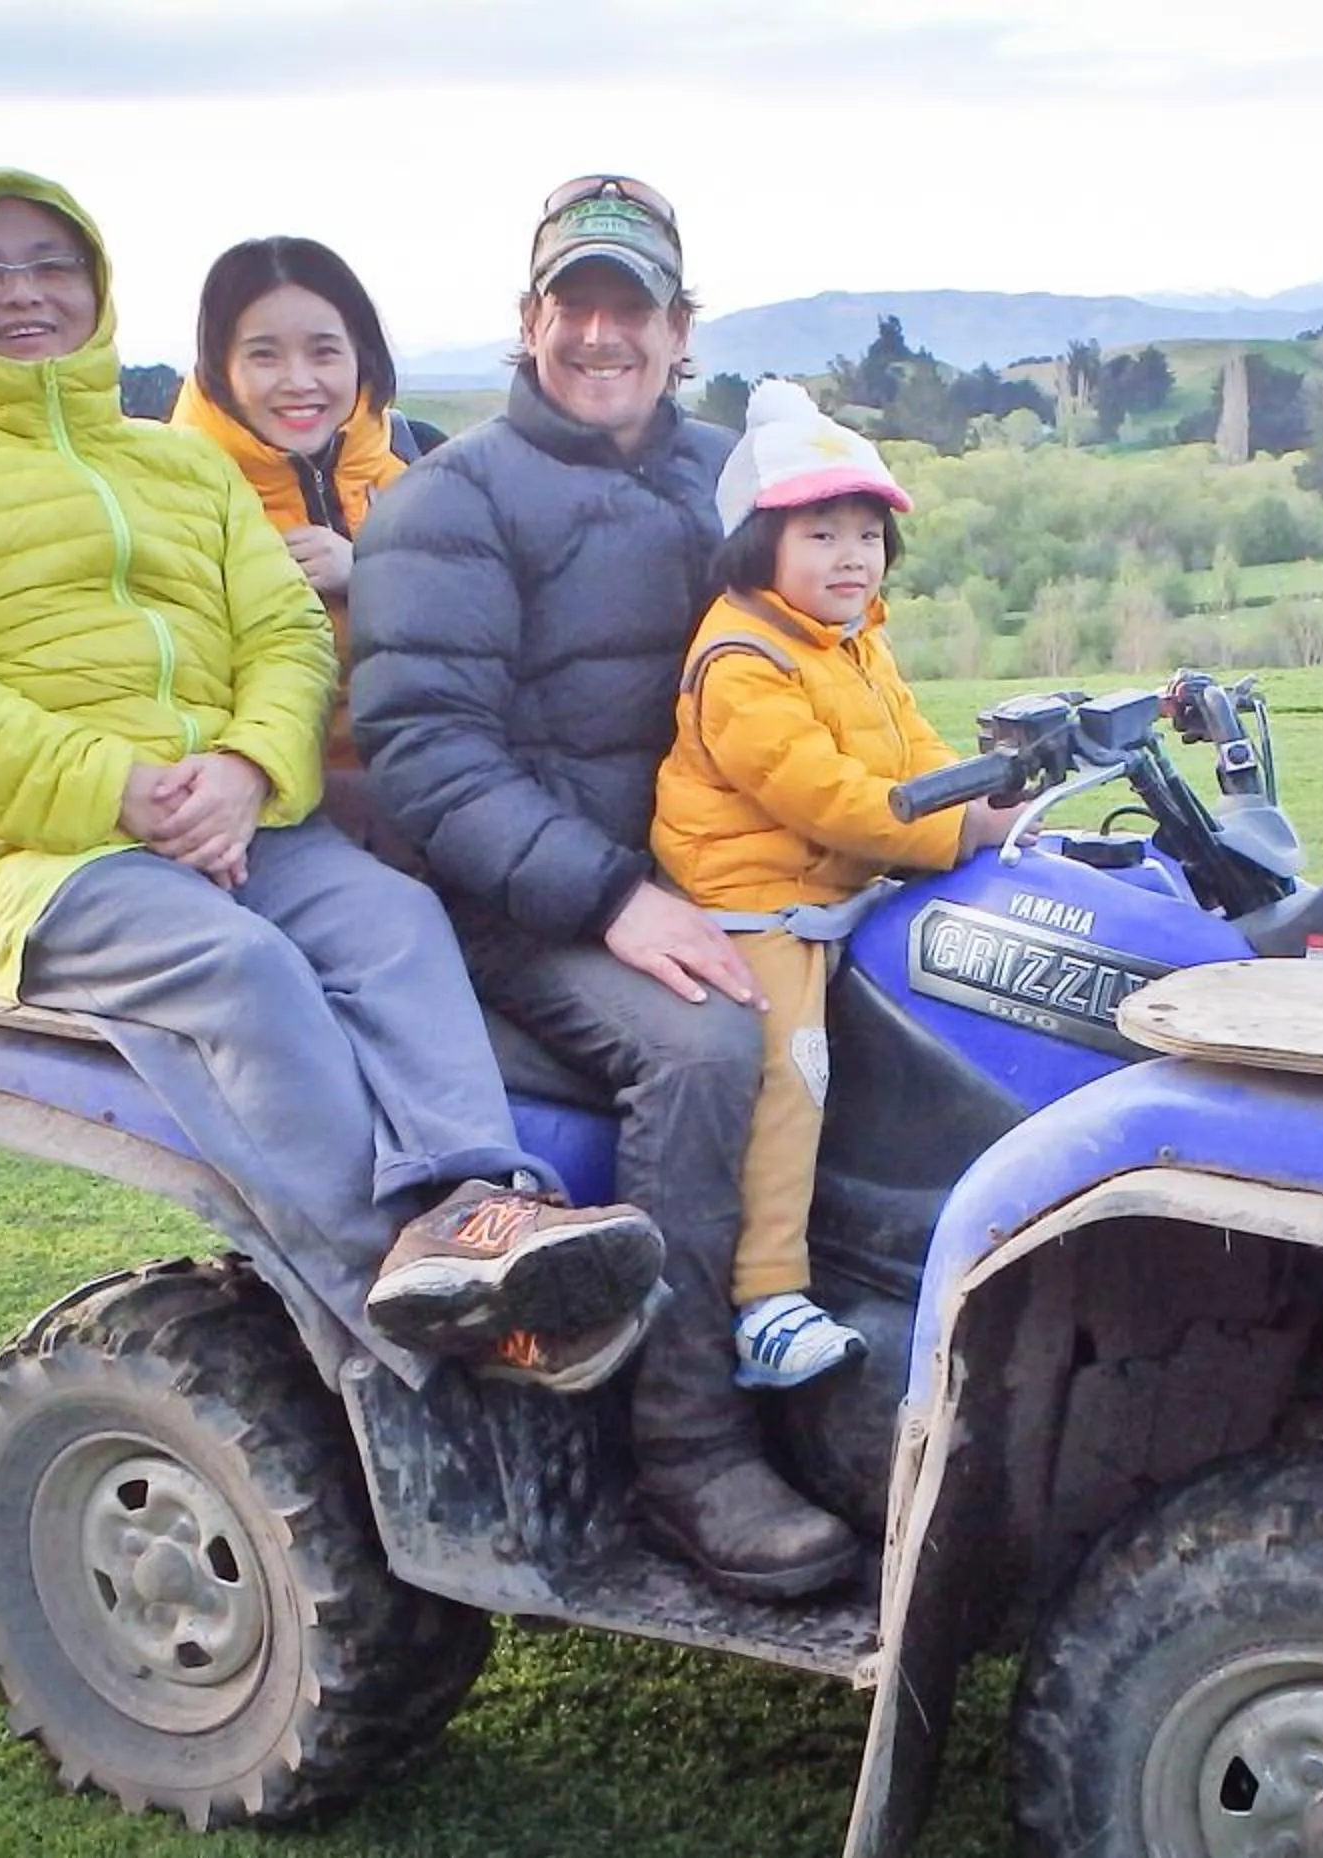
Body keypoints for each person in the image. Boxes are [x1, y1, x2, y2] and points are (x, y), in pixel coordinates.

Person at [0, 169, 664, 1395]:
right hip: (50, 852)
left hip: (233, 813)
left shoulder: (184, 470)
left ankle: (485, 1208)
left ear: (95, 285)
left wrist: (243, 766)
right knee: (243, 968)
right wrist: (120, 789)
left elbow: (288, 639)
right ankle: (421, 1293)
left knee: (391, 917)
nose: (24, 293)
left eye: (50, 264)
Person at [350, 177, 858, 1600]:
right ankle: (691, 1455)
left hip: (729, 870)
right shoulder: (449, 504)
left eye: (628, 306)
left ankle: (833, 1352)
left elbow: (830, 644)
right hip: (529, 904)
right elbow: (428, 758)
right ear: (528, 321)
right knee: (706, 1047)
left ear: (680, 328)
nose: (597, 332)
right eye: (571, 303)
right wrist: (612, 899)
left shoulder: (740, 478)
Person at [650, 379, 1022, 1390]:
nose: (850, 556)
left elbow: (916, 751)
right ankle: (766, 1297)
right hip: (757, 897)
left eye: (865, 533)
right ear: (758, 544)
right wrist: (955, 831)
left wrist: (994, 796)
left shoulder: (857, 643)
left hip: (840, 883)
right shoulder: (741, 658)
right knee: (794, 1069)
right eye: (821, 534)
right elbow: (827, 797)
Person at [168, 237, 430, 841]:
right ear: (219, 365)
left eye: (324, 352)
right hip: (260, 820)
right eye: (264, 355)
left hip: (424, 797)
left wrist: (370, 574)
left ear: (360, 355)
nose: (299, 380)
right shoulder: (168, 494)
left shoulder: (420, 463)